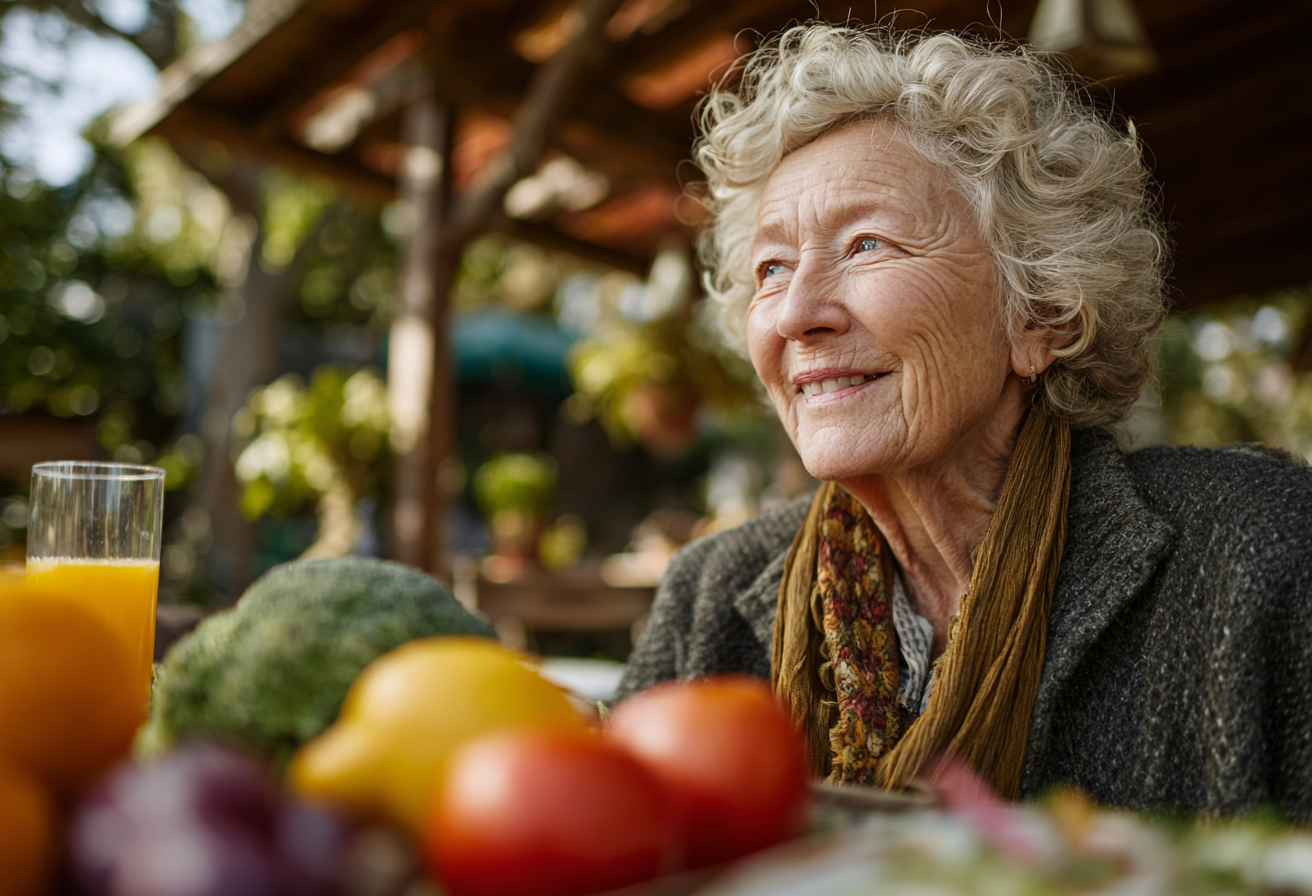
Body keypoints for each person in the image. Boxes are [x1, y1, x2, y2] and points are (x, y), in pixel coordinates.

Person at [617, 23, 1312, 819]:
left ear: (1041, 314)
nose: (796, 314)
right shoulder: (708, 594)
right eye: (772, 268)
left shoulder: (1262, 556)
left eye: (867, 244)